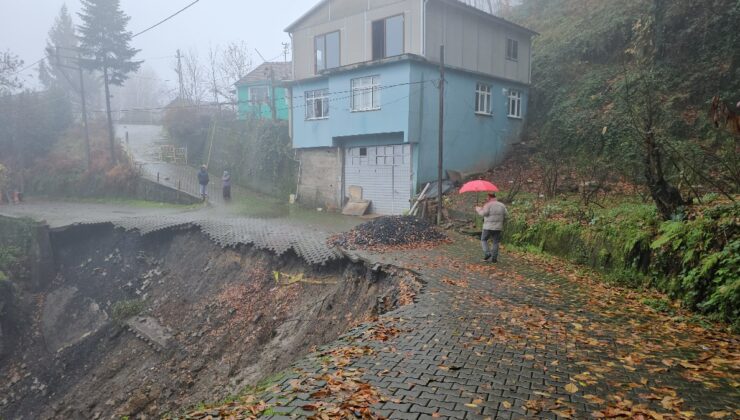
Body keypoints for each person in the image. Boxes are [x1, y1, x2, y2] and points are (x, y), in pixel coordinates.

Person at [475, 192, 508, 263]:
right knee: (495, 242)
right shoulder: (502, 205)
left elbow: (484, 213)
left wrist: (478, 209)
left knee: (483, 239)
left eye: (487, 197)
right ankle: (494, 259)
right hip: (498, 227)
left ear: (489, 197)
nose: (487, 199)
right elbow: (506, 215)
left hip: (488, 227)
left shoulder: (488, 205)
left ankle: (487, 253)